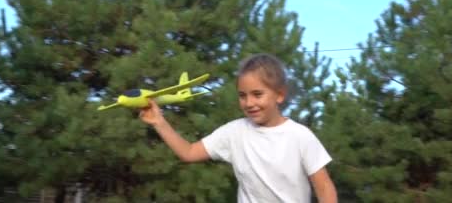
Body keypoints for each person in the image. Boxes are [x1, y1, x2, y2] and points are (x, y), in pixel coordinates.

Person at [139, 53, 337, 202]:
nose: (249, 103)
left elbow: (324, 187)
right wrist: (159, 122)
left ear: (279, 94)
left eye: (257, 94)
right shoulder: (234, 132)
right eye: (243, 95)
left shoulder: (300, 136)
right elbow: (189, 152)